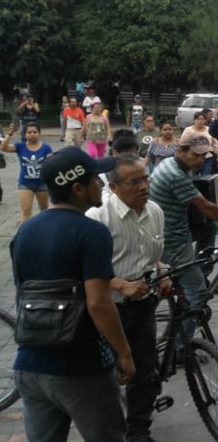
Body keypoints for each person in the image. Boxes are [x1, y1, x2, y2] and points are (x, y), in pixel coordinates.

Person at [12, 147, 134, 441]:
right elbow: (99, 304)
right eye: (95, 179)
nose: (102, 184)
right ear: (78, 189)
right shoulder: (91, 232)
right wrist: (125, 353)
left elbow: (21, 296)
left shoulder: (25, 231)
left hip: (29, 366)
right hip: (81, 367)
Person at [86, 156, 172, 442]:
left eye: (145, 178)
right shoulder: (98, 218)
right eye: (135, 182)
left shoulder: (156, 211)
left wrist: (162, 271)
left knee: (144, 371)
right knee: (109, 375)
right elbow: (80, 268)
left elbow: (154, 254)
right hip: (108, 310)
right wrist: (120, 284)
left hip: (144, 306)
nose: (144, 186)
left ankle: (138, 432)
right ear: (113, 186)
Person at [149, 136, 218, 349]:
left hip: (175, 229)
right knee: (197, 292)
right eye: (195, 155)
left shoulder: (172, 164)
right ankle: (180, 349)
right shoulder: (174, 174)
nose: (199, 161)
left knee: (209, 228)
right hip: (172, 241)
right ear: (180, 151)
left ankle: (197, 273)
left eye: (203, 156)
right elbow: (205, 206)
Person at [2, 122, 53, 223]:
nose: (32, 134)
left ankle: (45, 231)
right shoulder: (20, 146)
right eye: (29, 132)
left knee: (44, 211)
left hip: (42, 184)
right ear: (25, 134)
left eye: (35, 132)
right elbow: (3, 148)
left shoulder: (46, 148)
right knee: (26, 211)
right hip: (25, 184)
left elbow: (51, 164)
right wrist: (10, 134)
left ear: (39, 133)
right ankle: (24, 235)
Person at [179, 110, 218, 175]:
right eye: (197, 119)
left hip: (207, 158)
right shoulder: (188, 130)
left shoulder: (209, 130)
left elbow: (214, 145)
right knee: (194, 179)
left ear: (205, 121)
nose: (200, 121)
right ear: (194, 120)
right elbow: (182, 145)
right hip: (193, 159)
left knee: (206, 179)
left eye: (202, 119)